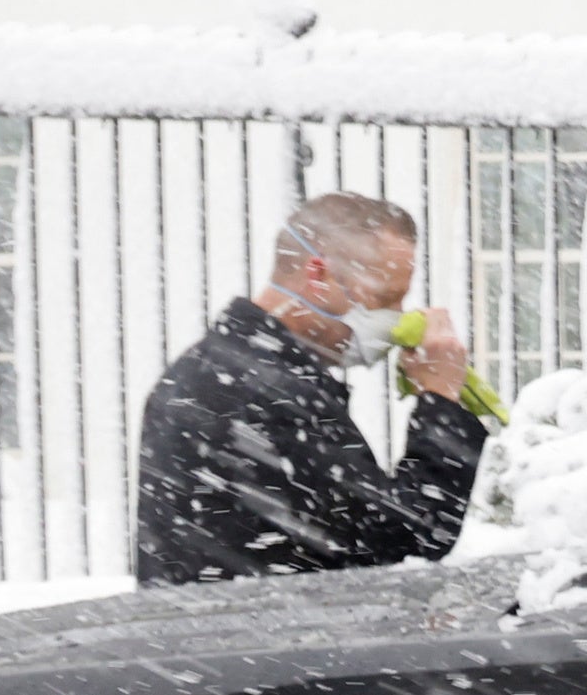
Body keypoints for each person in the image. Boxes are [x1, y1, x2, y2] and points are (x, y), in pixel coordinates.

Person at [132, 193, 489, 586]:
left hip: (219, 636)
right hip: (264, 638)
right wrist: (440, 402)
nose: (394, 321)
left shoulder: (215, 370)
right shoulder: (269, 396)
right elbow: (411, 534)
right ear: (318, 277)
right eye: (384, 300)